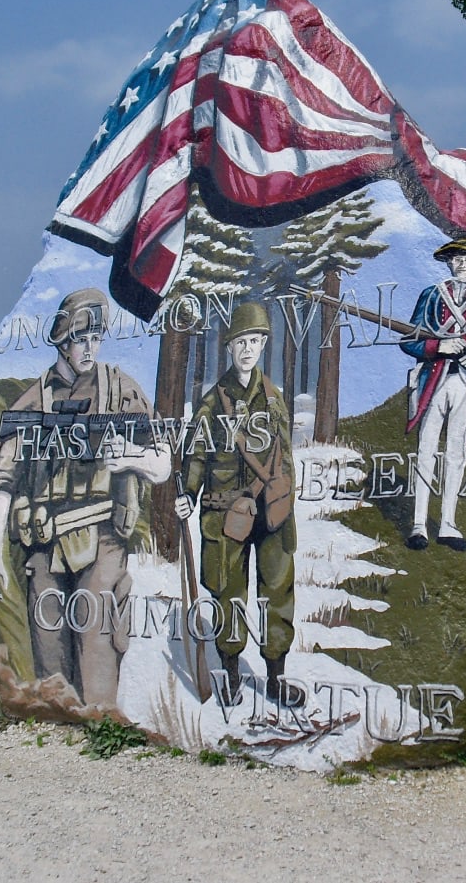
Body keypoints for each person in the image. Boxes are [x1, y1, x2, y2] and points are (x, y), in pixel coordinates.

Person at [0, 288, 171, 706]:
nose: (89, 347)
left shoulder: (120, 390)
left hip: (102, 539)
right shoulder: (34, 402)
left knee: (98, 660)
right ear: (63, 341)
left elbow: (162, 464)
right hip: (44, 545)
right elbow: (2, 481)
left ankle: (101, 730)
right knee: (51, 665)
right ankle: (63, 743)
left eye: (96, 338)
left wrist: (129, 458)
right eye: (81, 338)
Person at [174, 302, 302, 707]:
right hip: (225, 512)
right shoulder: (213, 403)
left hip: (270, 514)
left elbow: (284, 455)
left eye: (256, 341)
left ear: (264, 345)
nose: (248, 349)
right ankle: (229, 671)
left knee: (278, 591)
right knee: (229, 593)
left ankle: (276, 677)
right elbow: (196, 455)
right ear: (229, 347)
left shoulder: (274, 398)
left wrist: (284, 497)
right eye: (241, 342)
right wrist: (187, 495)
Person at [401, 237, 466, 551]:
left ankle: (447, 524)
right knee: (426, 450)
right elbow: (410, 339)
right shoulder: (432, 294)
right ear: (448, 262)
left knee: (457, 453)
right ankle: (419, 524)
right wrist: (438, 346)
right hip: (434, 378)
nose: (462, 263)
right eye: (457, 258)